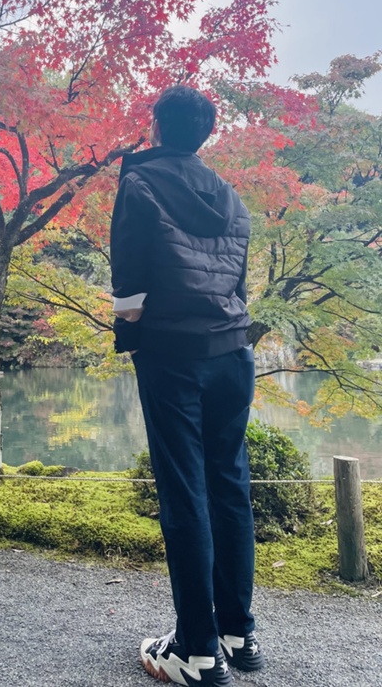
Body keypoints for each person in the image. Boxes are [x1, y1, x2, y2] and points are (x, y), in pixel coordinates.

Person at [110, 85, 265, 687]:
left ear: (156, 126)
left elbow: (128, 284)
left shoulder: (139, 183)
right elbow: (238, 284)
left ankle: (197, 652)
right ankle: (238, 634)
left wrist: (134, 340)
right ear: (205, 134)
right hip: (233, 352)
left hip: (172, 354)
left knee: (184, 494)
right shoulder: (230, 195)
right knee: (229, 486)